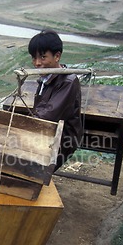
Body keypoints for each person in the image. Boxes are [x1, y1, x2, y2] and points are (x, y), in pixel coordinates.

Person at [28, 29, 83, 171]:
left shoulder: (68, 81)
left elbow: (49, 115)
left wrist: (22, 124)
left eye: (43, 57)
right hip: (47, 131)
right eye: (34, 58)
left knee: (28, 164)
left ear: (57, 56)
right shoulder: (45, 78)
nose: (37, 63)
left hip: (62, 139)